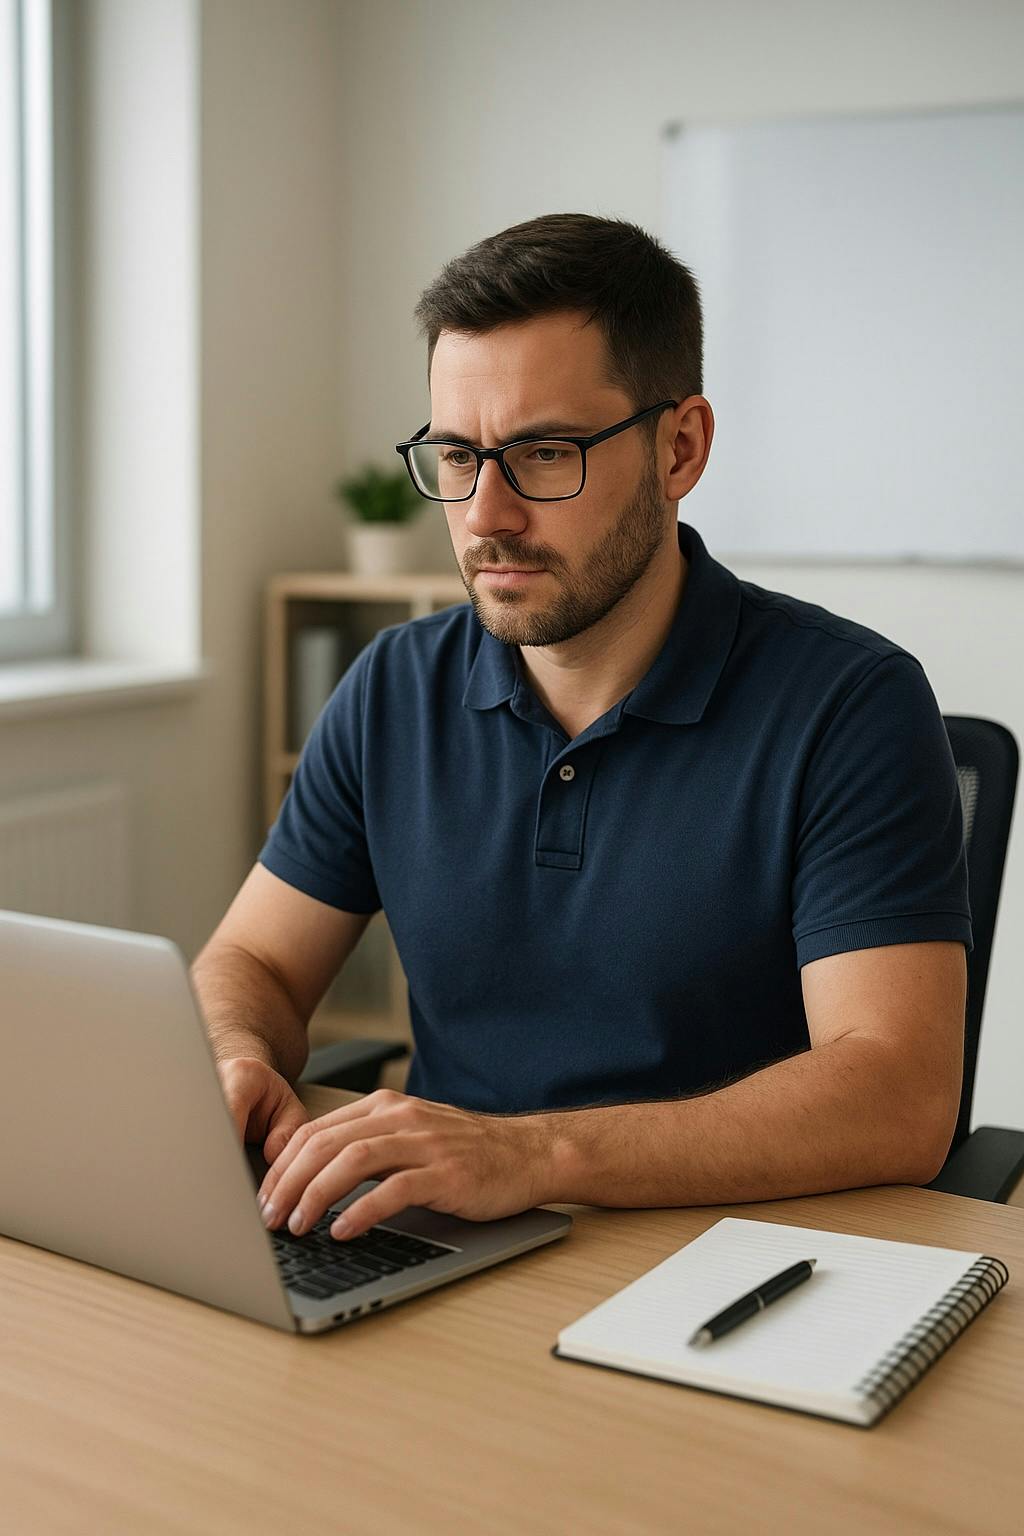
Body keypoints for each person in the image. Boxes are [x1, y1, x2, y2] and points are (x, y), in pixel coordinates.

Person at [192, 213, 971, 1247]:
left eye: (543, 453)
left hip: (723, 1265)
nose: (485, 514)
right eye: (458, 456)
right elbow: (256, 958)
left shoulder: (849, 705)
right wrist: (233, 1049)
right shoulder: (392, 689)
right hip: (435, 1243)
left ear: (679, 447)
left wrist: (532, 1157)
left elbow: (896, 1097)